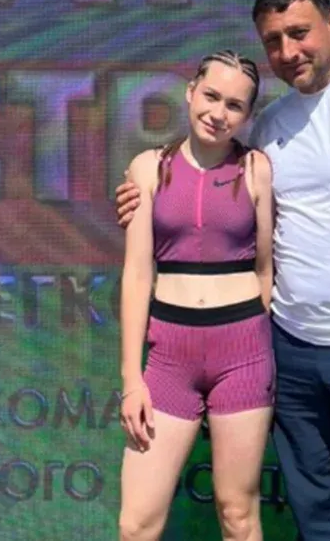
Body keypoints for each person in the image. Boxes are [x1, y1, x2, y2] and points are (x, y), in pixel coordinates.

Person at [117, 0, 330, 540]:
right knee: (316, 521)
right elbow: (206, 200)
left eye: (299, 33)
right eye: (273, 40)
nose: (288, 50)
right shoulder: (270, 128)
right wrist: (137, 195)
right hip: (289, 354)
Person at [116, 50, 276, 541]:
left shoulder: (256, 169)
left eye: (234, 105)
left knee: (237, 514)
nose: (218, 112)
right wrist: (132, 379)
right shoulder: (148, 168)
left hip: (243, 354)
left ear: (246, 115)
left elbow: (265, 270)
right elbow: (137, 275)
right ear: (190, 93)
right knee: (136, 524)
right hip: (169, 358)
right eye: (211, 96)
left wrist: (250, 343)